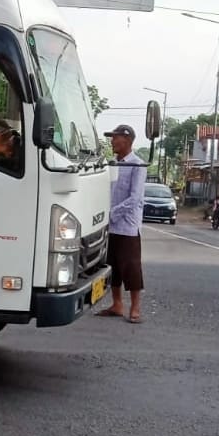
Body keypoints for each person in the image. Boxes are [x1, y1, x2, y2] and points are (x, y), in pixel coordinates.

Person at [96, 124, 146, 324]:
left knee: (131, 267)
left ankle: (135, 307)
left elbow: (135, 199)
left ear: (126, 140)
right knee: (112, 265)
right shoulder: (111, 164)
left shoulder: (137, 165)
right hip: (110, 225)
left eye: (115, 138)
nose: (112, 141)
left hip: (127, 226)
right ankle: (117, 304)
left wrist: (112, 214)